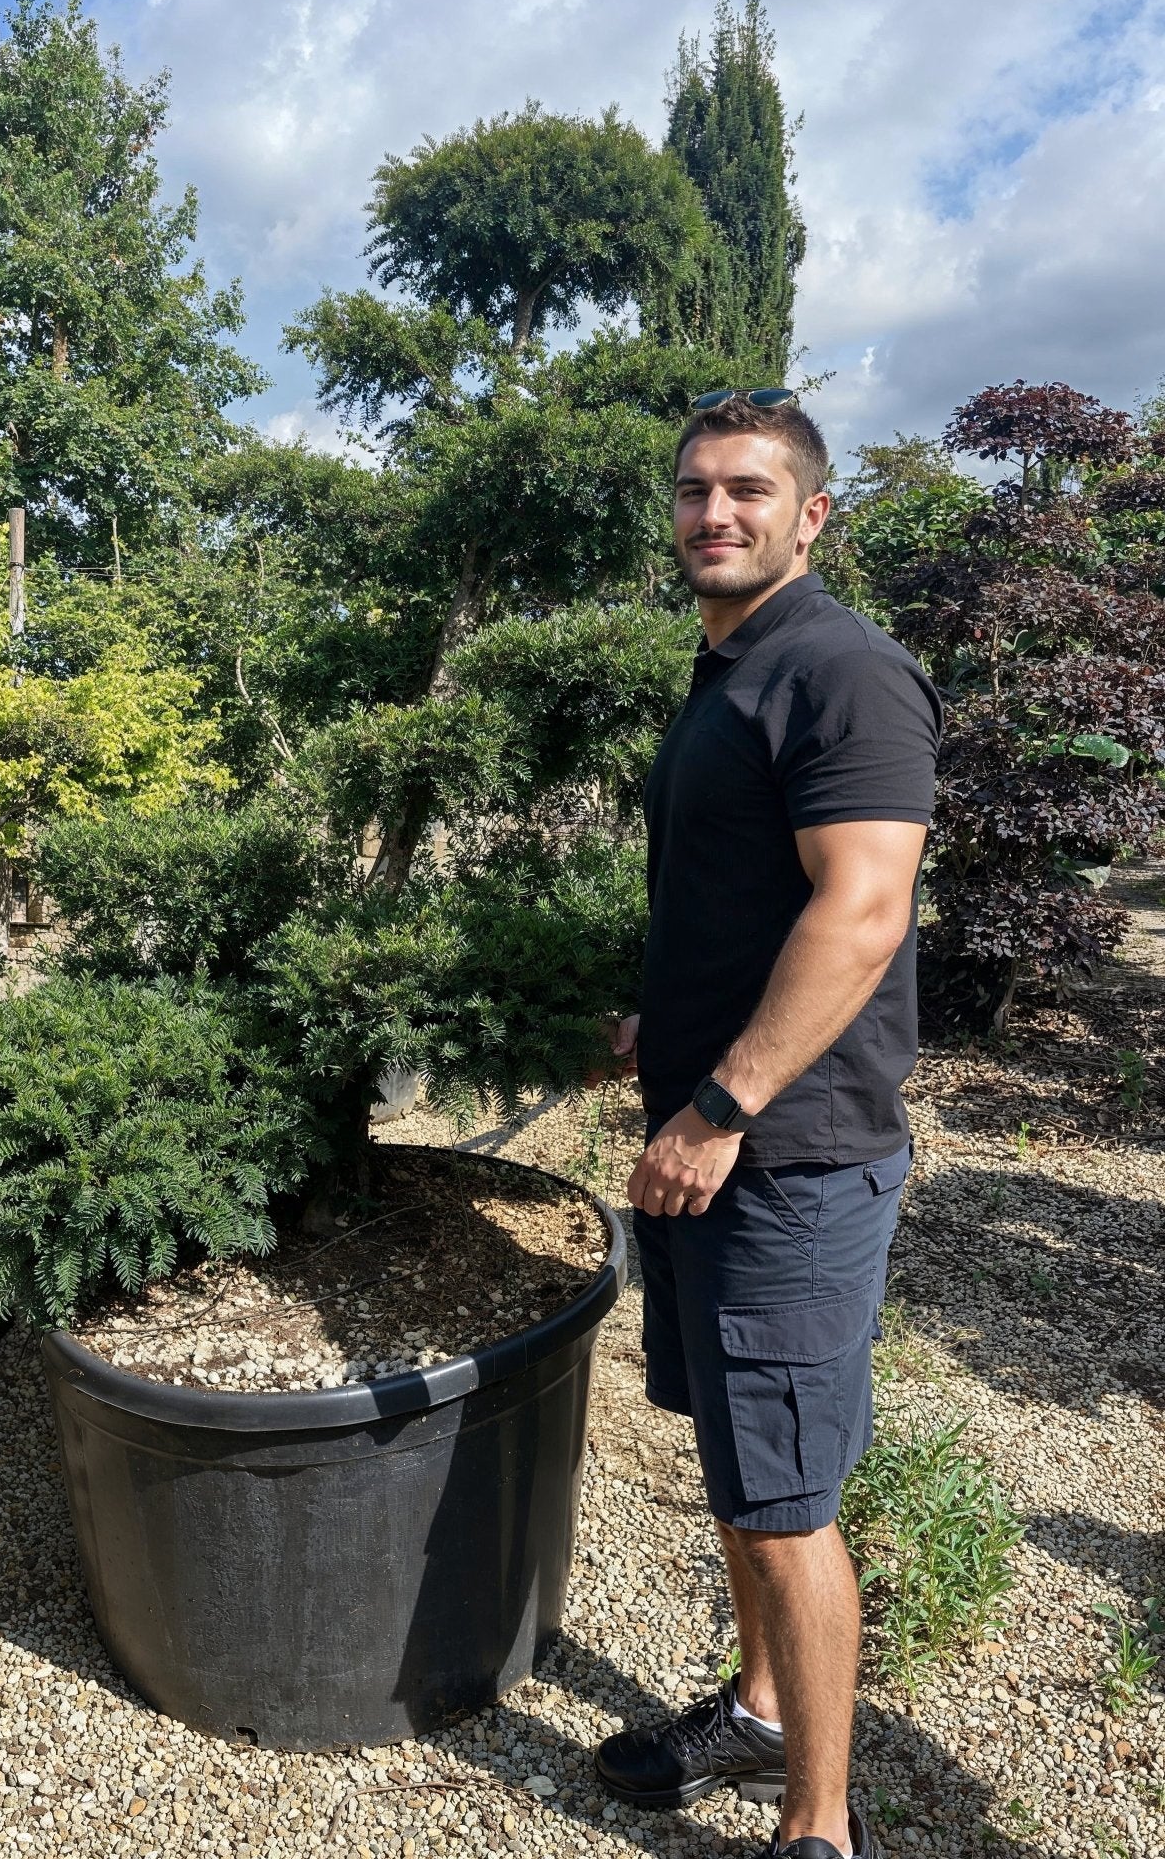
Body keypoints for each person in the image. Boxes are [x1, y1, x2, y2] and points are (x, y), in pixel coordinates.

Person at [593, 390, 942, 1859]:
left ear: (812, 515)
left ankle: (819, 1826)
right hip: (711, 1133)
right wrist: (664, 1034)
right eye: (692, 492)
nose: (713, 513)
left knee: (790, 1499)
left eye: (748, 490)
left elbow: (863, 911)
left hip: (782, 1161)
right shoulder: (731, 667)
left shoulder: (844, 671)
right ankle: (758, 1715)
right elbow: (750, 900)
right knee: (742, 1466)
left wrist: (724, 1101)